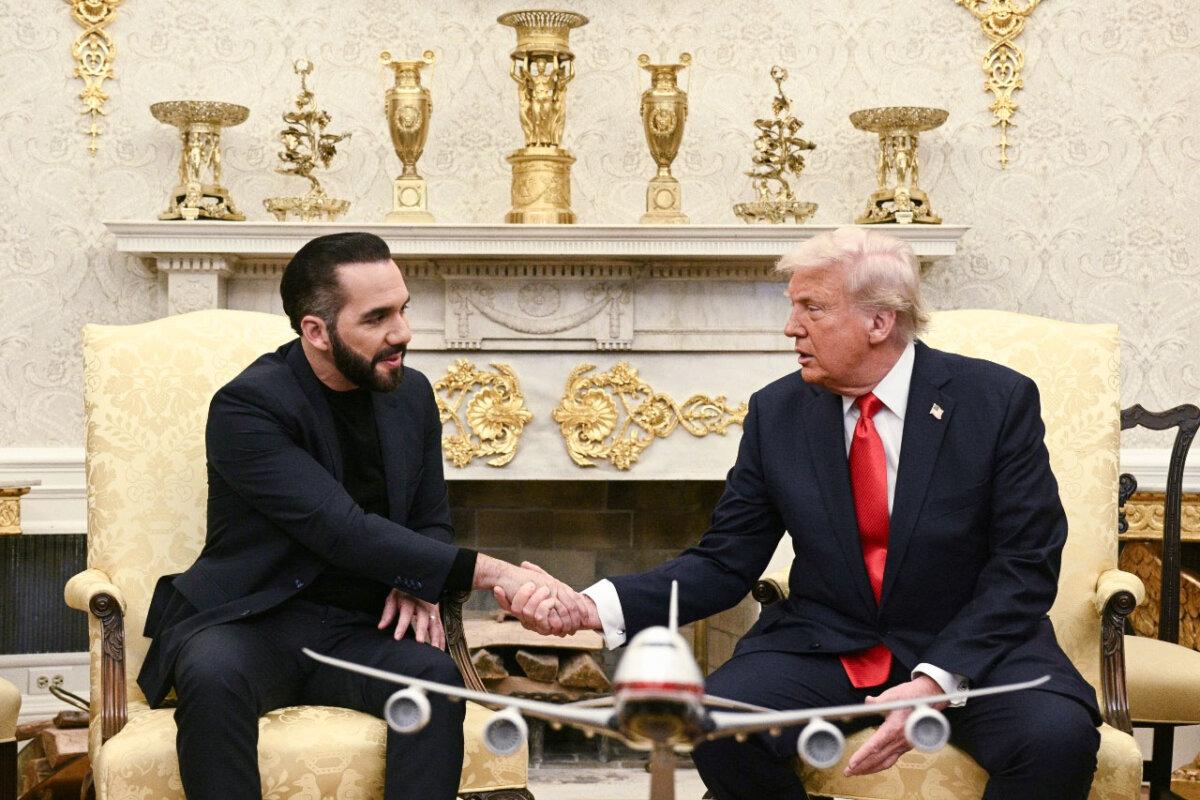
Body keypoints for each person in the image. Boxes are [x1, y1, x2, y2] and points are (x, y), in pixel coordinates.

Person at [499, 227, 1102, 799]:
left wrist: (935, 680)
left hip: (971, 644)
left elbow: (1025, 564)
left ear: (879, 321)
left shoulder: (995, 401)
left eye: (811, 308)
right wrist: (590, 606)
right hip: (826, 641)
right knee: (719, 725)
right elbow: (724, 561)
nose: (791, 328)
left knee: (1055, 740)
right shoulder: (778, 413)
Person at [138, 232, 587, 800]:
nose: (401, 332)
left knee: (433, 680)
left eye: (402, 310)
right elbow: (342, 531)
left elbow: (429, 518)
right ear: (316, 331)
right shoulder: (247, 407)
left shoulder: (411, 394)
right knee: (212, 675)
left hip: (361, 628)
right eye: (376, 318)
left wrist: (417, 583)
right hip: (251, 620)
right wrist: (501, 574)